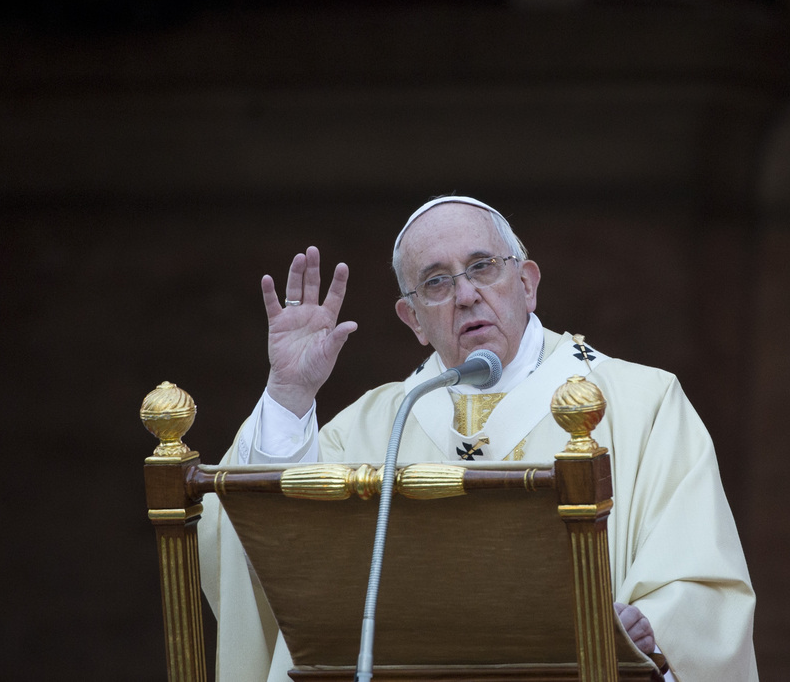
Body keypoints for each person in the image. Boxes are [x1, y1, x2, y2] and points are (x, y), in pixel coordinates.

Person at [198, 196, 758, 682]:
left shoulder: (643, 404)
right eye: (436, 281)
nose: (465, 294)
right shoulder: (374, 428)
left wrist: (649, 629)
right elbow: (262, 547)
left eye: (483, 267)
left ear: (528, 282)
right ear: (413, 319)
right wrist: (289, 394)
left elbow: (702, 580)